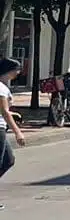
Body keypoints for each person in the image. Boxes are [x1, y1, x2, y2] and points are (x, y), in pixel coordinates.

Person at [0, 57, 25, 210]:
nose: (18, 72)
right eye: (17, 69)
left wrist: (12, 115)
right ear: (9, 70)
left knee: (8, 160)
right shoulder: (1, 88)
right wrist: (18, 132)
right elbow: (4, 111)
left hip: (2, 126)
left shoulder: (3, 86)